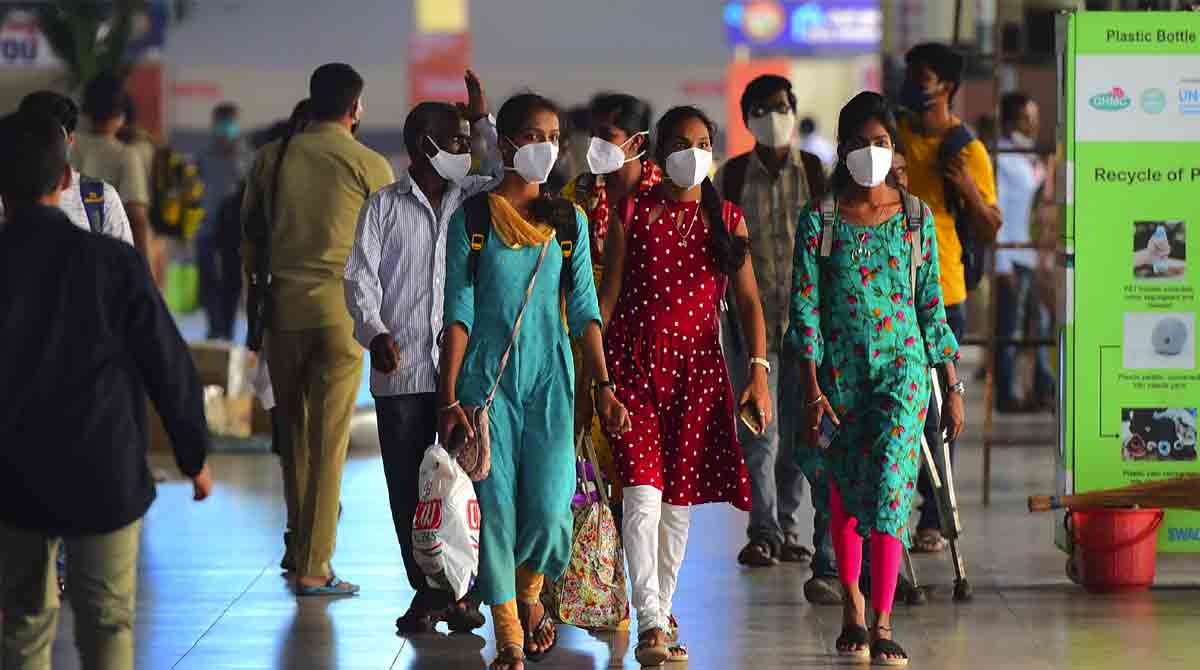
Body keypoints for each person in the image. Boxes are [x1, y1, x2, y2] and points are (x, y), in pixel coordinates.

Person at [0, 111, 213, 670]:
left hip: (12, 473)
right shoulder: (112, 262)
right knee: (108, 622)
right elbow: (166, 361)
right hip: (103, 467)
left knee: (23, 622)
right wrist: (194, 454)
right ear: (66, 179)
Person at [438, 92, 630, 670]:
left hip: (553, 383)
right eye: (534, 136)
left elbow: (588, 311)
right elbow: (459, 314)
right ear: (506, 144)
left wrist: (602, 386)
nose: (546, 148)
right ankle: (510, 635)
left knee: (550, 509)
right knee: (495, 510)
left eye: (553, 137)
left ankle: (528, 596)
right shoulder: (473, 221)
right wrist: (449, 398)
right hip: (485, 386)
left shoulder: (565, 222)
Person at [787, 91, 964, 667]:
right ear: (842, 150)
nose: (872, 153)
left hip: (902, 375)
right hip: (838, 379)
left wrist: (951, 383)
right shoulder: (821, 218)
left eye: (882, 144)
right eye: (861, 144)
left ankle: (883, 619)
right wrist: (810, 386)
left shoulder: (916, 219)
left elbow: (930, 305)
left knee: (889, 490)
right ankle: (853, 608)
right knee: (843, 492)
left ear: (896, 148)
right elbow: (805, 307)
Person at [599, 105, 770, 666]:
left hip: (697, 375)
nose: (689, 153)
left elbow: (747, 302)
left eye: (700, 142)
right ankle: (650, 621)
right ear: (656, 151)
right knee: (642, 497)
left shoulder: (728, 220)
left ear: (712, 152)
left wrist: (759, 374)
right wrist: (592, 369)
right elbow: (611, 294)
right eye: (678, 142)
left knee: (677, 504)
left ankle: (661, 608)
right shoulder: (632, 211)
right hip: (633, 369)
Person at [344, 71, 498, 634]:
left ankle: (464, 591)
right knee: (410, 490)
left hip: (462, 376)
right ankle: (427, 591)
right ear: (422, 147)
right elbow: (360, 276)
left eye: (465, 140)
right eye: (455, 140)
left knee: (466, 484)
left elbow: (503, 173)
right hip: (403, 376)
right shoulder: (382, 208)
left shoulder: (474, 198)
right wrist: (375, 331)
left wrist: (482, 120)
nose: (464, 149)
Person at [241, 63, 394, 596]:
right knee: (329, 443)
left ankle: (296, 544)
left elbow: (249, 244)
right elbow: (390, 253)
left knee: (296, 439)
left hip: (282, 310)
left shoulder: (272, 158)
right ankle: (315, 565)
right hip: (342, 316)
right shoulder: (368, 164)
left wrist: (252, 314)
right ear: (355, 109)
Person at [714, 75, 836, 591]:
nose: (773, 116)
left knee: (797, 435)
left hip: (806, 325)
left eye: (781, 107)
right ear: (747, 120)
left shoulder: (813, 170)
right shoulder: (733, 174)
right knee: (759, 431)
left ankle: (787, 525)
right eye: (762, 109)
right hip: (752, 325)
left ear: (793, 110)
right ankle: (761, 530)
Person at [895, 42, 999, 553]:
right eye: (910, 74)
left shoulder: (966, 150)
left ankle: (933, 518)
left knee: (942, 408)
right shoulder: (892, 138)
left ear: (947, 88)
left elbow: (992, 225)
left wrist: (968, 189)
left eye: (923, 77)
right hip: (888, 294)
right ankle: (898, 506)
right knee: (897, 408)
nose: (913, 84)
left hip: (945, 295)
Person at [561, 92, 661, 506]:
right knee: (592, 465)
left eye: (607, 135)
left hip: (648, 342)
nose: (595, 145)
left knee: (644, 479)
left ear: (637, 141)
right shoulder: (578, 194)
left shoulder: (667, 196)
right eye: (594, 134)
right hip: (587, 335)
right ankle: (599, 563)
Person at [0, 91, 134, 245]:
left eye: (52, 137)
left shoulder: (100, 200)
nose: (42, 147)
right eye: (36, 136)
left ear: (70, 141)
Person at [994, 92, 1055, 414]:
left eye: (1034, 116)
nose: (1033, 122)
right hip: (1013, 255)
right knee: (1011, 327)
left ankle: (1041, 387)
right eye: (1026, 117)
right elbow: (998, 210)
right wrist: (1000, 262)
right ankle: (1006, 394)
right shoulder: (1002, 157)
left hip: (1035, 257)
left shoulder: (1030, 156)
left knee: (1040, 324)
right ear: (1011, 120)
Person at [73, 75, 153, 260]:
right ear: (120, 115)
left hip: (65, 258)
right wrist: (145, 276)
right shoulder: (125, 155)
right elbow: (137, 219)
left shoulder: (64, 146)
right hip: (109, 261)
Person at [195, 102, 253, 340]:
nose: (225, 129)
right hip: (205, 225)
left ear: (236, 126)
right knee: (207, 278)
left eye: (229, 124)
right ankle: (214, 326)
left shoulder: (248, 157)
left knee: (231, 281)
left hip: (234, 229)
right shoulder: (202, 156)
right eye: (221, 124)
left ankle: (227, 329)